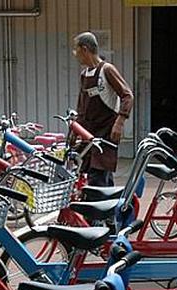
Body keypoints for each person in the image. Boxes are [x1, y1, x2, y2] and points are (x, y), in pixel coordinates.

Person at [72, 31, 134, 187]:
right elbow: (82, 107)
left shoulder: (107, 70)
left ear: (84, 49)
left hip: (106, 133)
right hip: (89, 134)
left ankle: (97, 210)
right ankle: (110, 209)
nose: (75, 54)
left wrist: (119, 123)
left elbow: (127, 96)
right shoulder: (84, 74)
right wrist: (75, 130)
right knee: (95, 176)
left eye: (76, 50)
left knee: (97, 177)